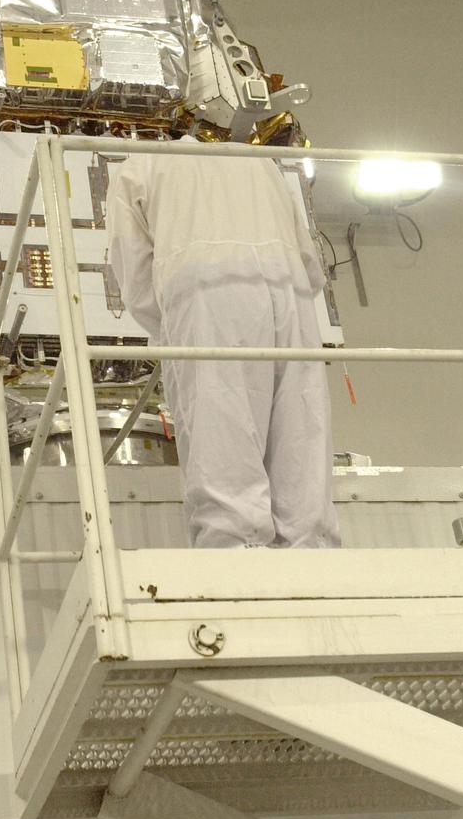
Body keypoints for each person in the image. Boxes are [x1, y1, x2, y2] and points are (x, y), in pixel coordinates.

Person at [106, 144, 341, 549]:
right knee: (300, 431)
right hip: (290, 293)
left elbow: (135, 276)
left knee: (222, 432)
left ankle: (235, 556)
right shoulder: (260, 163)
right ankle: (311, 552)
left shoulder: (139, 163)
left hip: (204, 291)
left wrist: (171, 329)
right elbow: (309, 261)